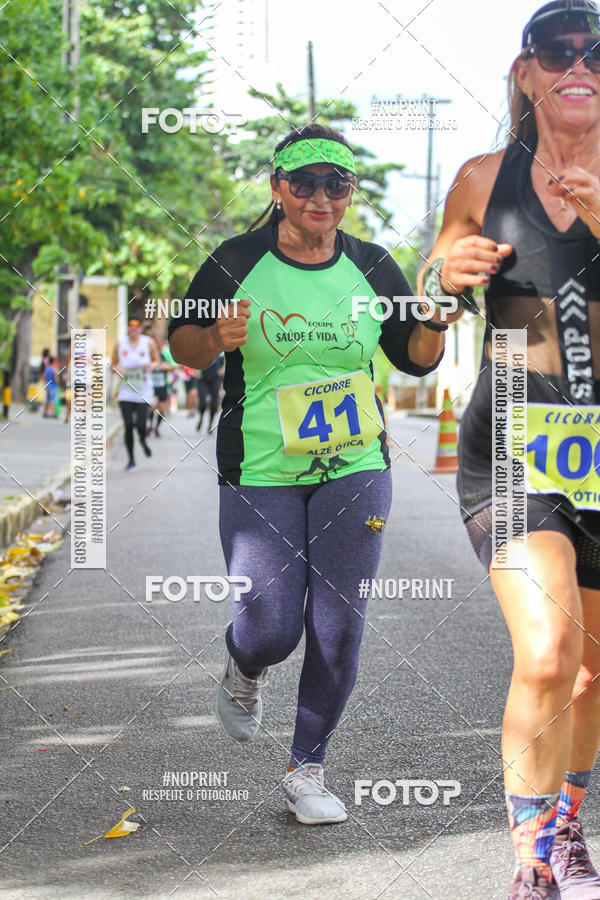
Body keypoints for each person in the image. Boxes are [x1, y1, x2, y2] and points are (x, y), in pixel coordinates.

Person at [169, 123, 446, 824]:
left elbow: (414, 357)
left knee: (339, 621)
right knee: (270, 627)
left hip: (355, 461)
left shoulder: (374, 266)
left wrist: (438, 319)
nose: (321, 197)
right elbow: (182, 347)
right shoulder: (236, 260)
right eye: (305, 183)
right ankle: (245, 663)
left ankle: (307, 768)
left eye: (337, 184)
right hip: (260, 465)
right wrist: (215, 335)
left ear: (351, 193)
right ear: (278, 188)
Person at [419, 2, 600, 895]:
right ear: (527, 72)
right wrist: (439, 281)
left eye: (597, 53)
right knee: (549, 650)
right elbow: (425, 317)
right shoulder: (483, 179)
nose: (580, 66)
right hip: (516, 441)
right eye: (559, 52)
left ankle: (566, 828)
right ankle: (531, 861)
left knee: (592, 672)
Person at [111, 317, 159, 470]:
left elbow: (156, 361)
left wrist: (151, 366)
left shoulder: (148, 343)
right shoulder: (120, 344)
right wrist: (118, 370)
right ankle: (131, 459)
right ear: (128, 328)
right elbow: (112, 365)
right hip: (125, 391)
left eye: (136, 326)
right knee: (128, 425)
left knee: (140, 425)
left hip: (143, 391)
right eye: (131, 325)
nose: (133, 328)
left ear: (140, 329)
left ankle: (143, 441)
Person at [149, 333, 177, 437]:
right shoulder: (149, 352)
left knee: (162, 409)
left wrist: (164, 367)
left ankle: (156, 427)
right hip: (150, 384)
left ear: (161, 341)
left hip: (163, 384)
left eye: (158, 340)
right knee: (152, 406)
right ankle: (150, 425)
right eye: (155, 340)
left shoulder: (166, 352)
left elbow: (174, 365)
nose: (156, 343)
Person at [196, 354, 224, 433]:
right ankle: (201, 417)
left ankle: (210, 424)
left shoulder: (220, 351)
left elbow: (225, 363)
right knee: (202, 403)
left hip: (215, 379)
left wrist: (221, 372)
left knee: (214, 404)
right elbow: (194, 359)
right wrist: (196, 371)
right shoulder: (202, 348)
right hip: (202, 379)